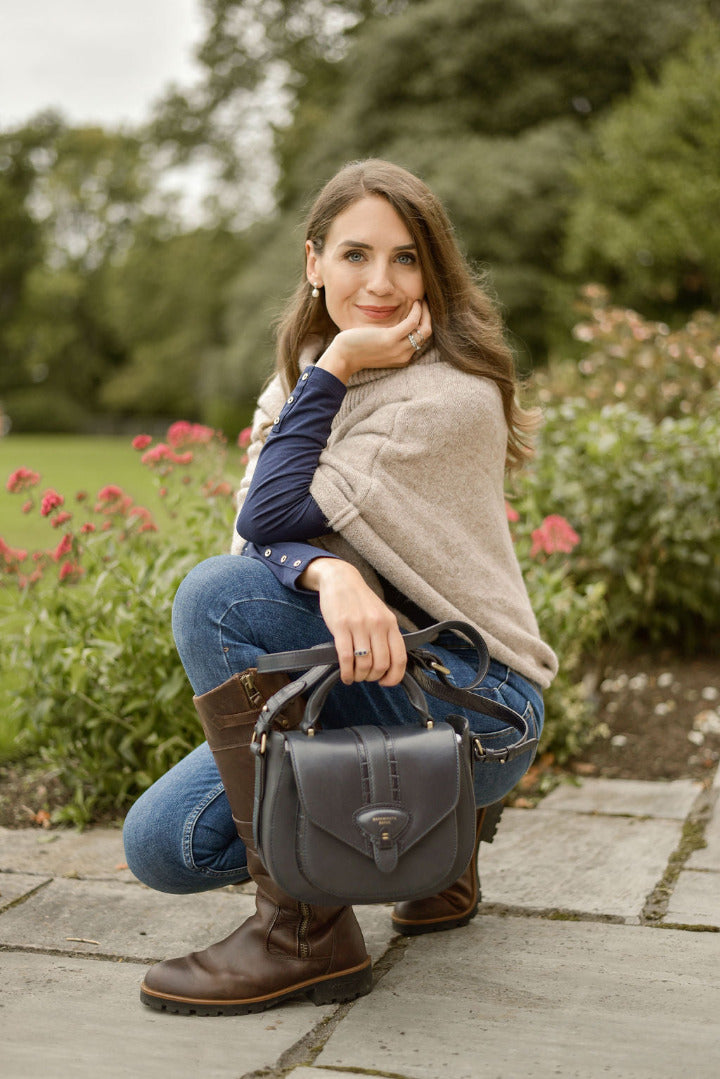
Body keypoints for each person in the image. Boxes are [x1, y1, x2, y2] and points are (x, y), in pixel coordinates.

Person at [123, 158, 558, 1016]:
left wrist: (339, 365)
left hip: (477, 704)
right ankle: (439, 844)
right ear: (313, 261)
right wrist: (330, 571)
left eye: (406, 259)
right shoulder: (293, 385)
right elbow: (264, 525)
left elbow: (265, 519)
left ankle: (304, 932)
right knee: (161, 844)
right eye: (356, 255)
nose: (382, 283)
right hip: (355, 671)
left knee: (215, 595)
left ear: (433, 270)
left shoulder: (447, 394)